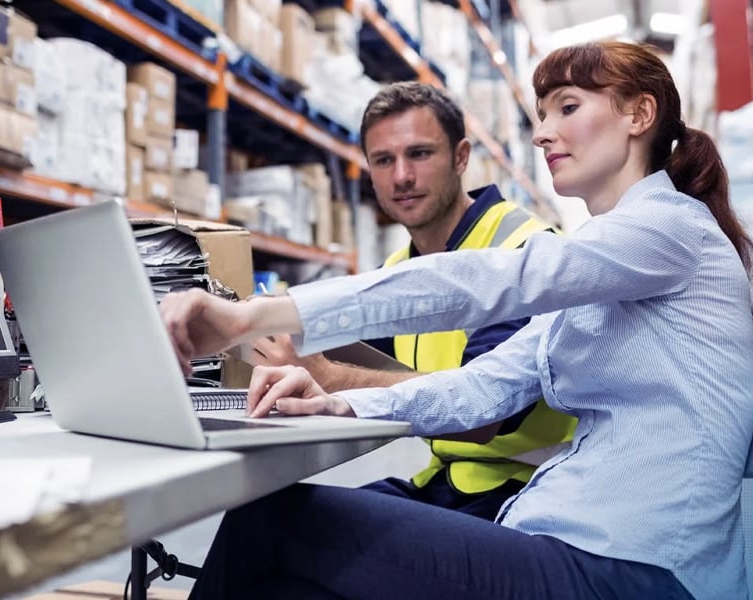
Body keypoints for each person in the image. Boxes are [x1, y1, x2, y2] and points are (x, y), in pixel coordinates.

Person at [161, 41, 753, 599]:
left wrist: (250, 317)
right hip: (570, 539)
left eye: (567, 108)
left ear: (639, 114)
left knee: (273, 518)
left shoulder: (670, 229)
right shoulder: (603, 267)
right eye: (541, 115)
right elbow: (483, 386)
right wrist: (335, 402)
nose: (543, 133)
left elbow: (485, 281)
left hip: (637, 568)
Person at [250, 81, 575, 521]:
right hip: (448, 482)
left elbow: (482, 417)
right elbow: (359, 353)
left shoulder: (522, 251)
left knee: (282, 532)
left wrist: (327, 376)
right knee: (266, 517)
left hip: (525, 493)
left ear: (461, 157)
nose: (401, 176)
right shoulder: (400, 267)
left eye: (419, 154)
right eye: (384, 160)